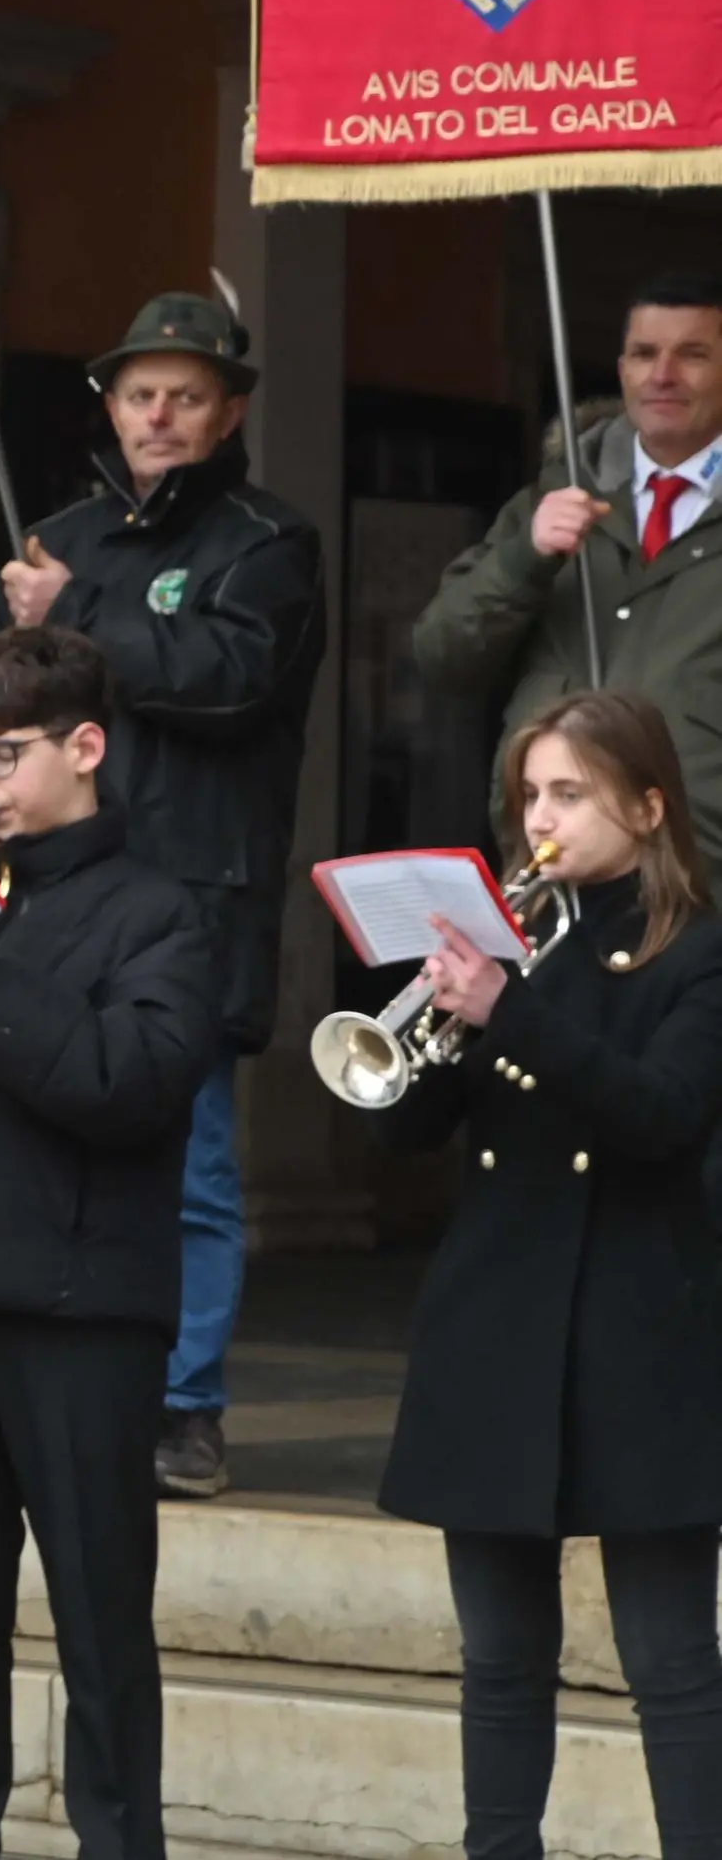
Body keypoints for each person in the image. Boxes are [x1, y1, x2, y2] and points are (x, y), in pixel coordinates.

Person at [0, 294, 324, 1501]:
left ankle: (185, 1407)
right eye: (140, 394)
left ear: (229, 411)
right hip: (42, 895)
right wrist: (6, 643)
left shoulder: (269, 541)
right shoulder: (53, 539)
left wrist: (75, 617)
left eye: (186, 396)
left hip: (188, 898)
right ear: (109, 406)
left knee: (189, 1166)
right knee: (29, 1136)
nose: (159, 415)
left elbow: (232, 678)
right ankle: (56, 1379)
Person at [0, 623, 215, 1860]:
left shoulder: (160, 913)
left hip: (79, 1317)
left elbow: (131, 1083)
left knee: (101, 1626)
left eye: (4, 753)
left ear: (86, 747)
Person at [365, 688, 722, 1860]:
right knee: (500, 1661)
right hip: (495, 1327)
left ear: (649, 806)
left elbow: (662, 1116)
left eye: (570, 793)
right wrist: (425, 1018)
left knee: (672, 1663)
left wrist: (507, 1010)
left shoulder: (698, 953)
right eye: (530, 794)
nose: (541, 819)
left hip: (639, 1335)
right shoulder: (516, 949)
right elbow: (403, 1135)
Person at [418, 273, 722, 852]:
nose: (663, 375)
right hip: (551, 863)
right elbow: (443, 655)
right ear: (622, 369)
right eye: (644, 354)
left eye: (692, 355)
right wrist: (524, 559)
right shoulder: (556, 494)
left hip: (701, 872)